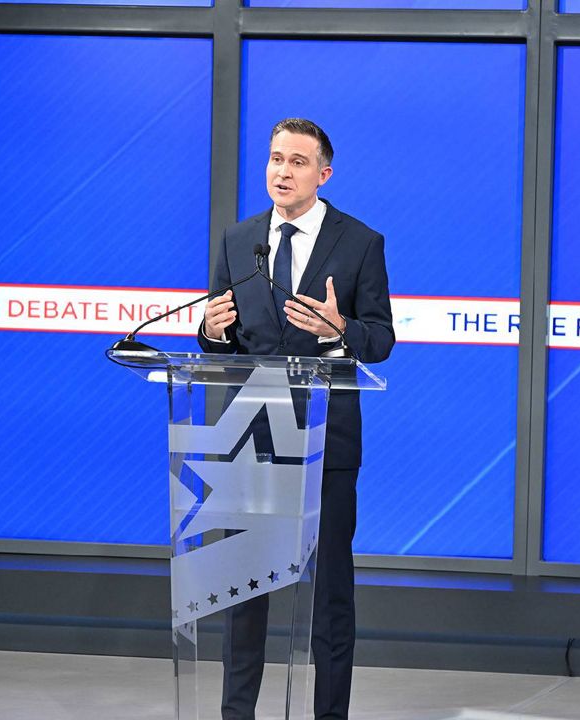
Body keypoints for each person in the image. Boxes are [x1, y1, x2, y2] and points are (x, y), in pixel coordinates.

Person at [199, 117, 395, 720]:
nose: (282, 172)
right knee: (245, 594)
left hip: (325, 437)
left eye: (297, 162)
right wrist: (209, 332)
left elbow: (381, 338)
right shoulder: (240, 240)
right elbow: (220, 338)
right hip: (250, 434)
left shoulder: (360, 242)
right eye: (275, 159)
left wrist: (342, 328)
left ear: (323, 173)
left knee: (331, 594)